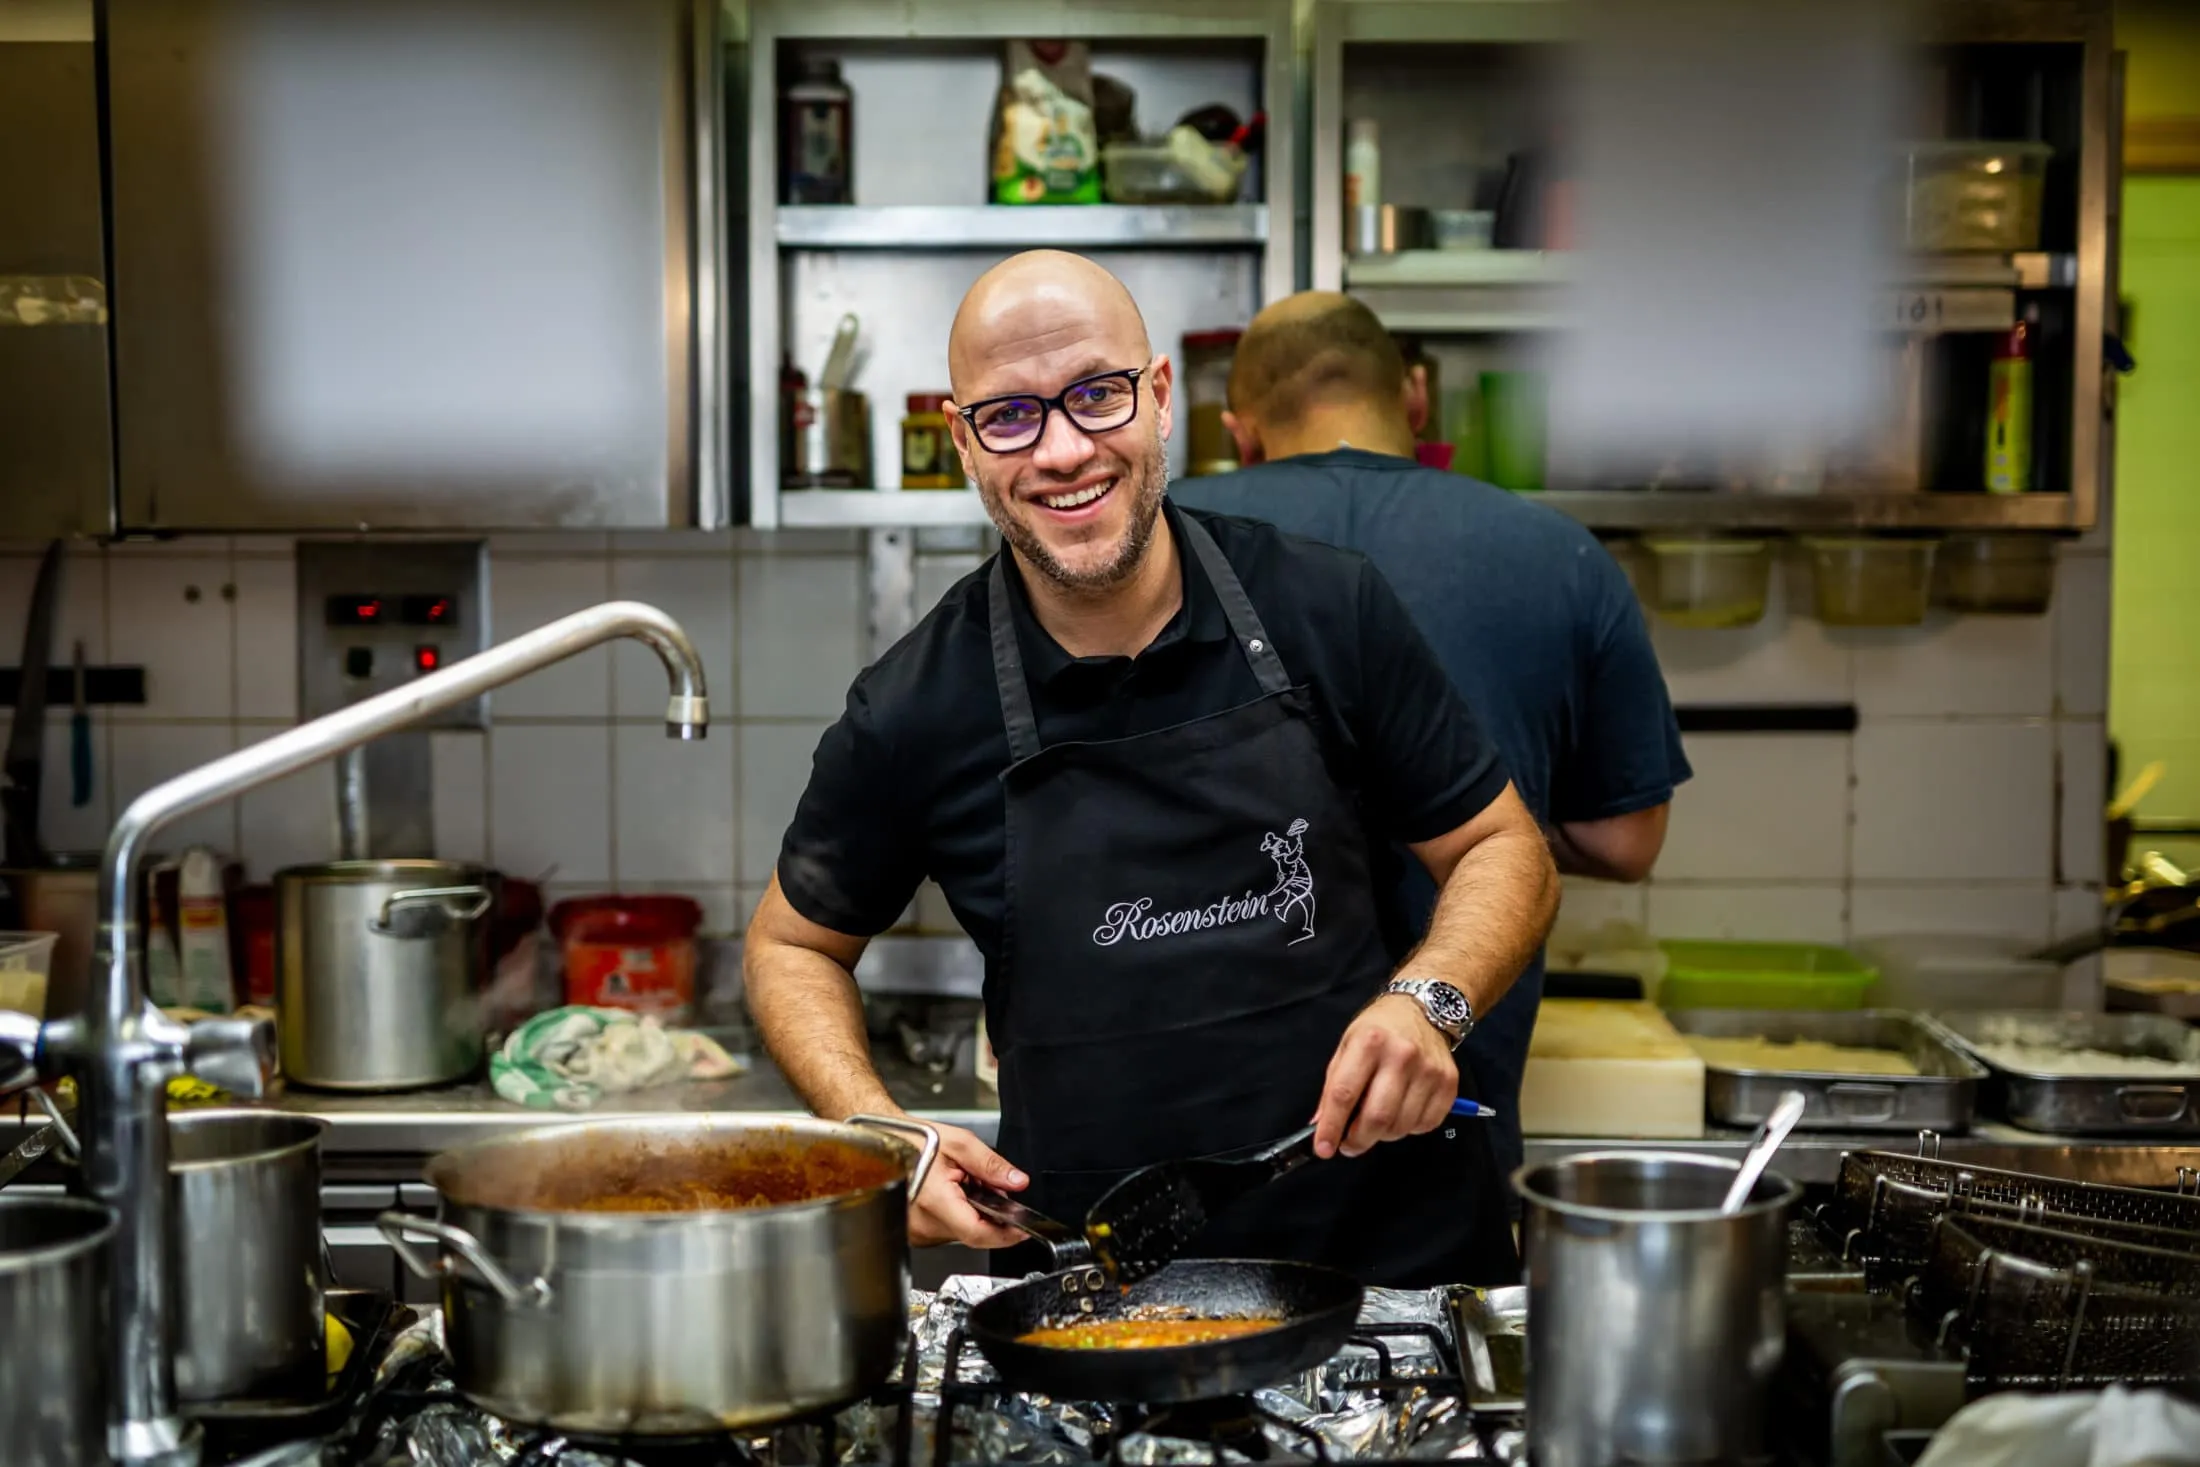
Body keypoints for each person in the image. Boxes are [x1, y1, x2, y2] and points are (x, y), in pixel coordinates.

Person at [744, 251, 1559, 1288]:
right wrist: (881, 1130)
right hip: (1099, 1295)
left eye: (1097, 394)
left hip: (1387, 1276)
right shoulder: (915, 706)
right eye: (1010, 416)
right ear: (963, 440)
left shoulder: (1326, 608)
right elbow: (789, 946)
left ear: (1161, 396)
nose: (1063, 450)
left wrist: (1431, 1001)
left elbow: (1502, 846)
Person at [1174, 291, 1690, 1184]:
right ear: (1416, 397)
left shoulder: (1166, 542)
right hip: (1445, 1112)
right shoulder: (1559, 553)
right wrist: (1461, 817)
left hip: (1203, 1136)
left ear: (1240, 432)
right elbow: (1626, 839)